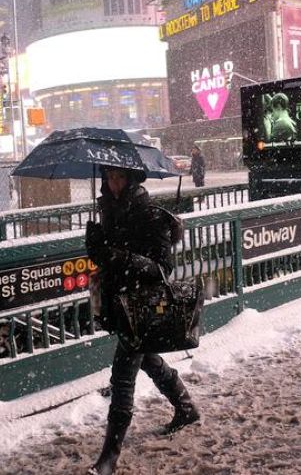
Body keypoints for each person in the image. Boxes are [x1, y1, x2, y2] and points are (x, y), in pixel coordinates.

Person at [85, 167, 200, 475]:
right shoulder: (109, 212)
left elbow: (162, 268)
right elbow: (106, 260)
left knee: (122, 377)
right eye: (109, 177)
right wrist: (95, 247)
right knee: (148, 359)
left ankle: (109, 458)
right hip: (119, 305)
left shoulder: (150, 216)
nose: (113, 183)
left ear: (132, 179)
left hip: (140, 307)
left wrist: (122, 258)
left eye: (119, 177)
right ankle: (186, 408)